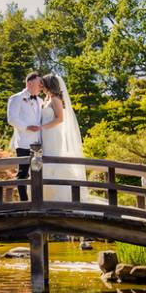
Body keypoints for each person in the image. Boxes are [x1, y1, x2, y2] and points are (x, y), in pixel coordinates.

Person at [37, 73, 86, 201]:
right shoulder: (47, 99)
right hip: (45, 134)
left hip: (53, 135)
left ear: (49, 84)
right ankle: (47, 196)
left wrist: (43, 127)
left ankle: (61, 197)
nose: (41, 86)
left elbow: (60, 119)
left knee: (53, 161)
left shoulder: (55, 99)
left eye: (43, 84)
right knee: (46, 161)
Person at [6, 72, 43, 201]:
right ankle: (24, 202)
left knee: (37, 172)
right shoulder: (16, 98)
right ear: (29, 83)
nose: (41, 86)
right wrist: (27, 127)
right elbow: (11, 119)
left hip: (38, 144)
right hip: (23, 142)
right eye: (39, 84)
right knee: (23, 173)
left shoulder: (40, 100)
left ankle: (37, 201)